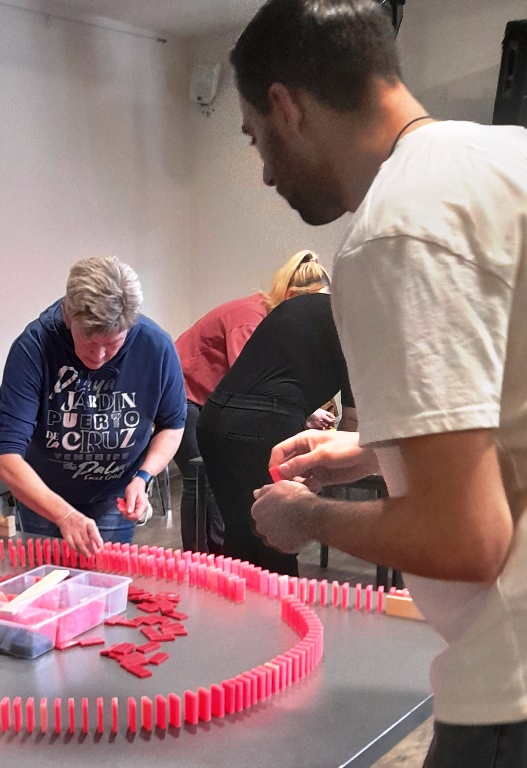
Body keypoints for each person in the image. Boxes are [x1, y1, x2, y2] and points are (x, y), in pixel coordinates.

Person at [232, 1, 527, 763]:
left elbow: (466, 538)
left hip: (512, 678)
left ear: (285, 107)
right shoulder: (506, 162)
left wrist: (308, 519)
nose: (265, 171)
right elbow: (505, 407)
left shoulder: (395, 230)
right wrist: (370, 453)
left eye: (256, 140)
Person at [0, 255, 186, 557]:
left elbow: (172, 426)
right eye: (88, 342)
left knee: (104, 580)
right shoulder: (34, 347)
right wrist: (64, 514)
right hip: (43, 493)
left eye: (113, 344)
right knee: (46, 585)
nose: (98, 357)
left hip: (114, 492)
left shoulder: (156, 346)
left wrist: (144, 476)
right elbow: (7, 458)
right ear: (67, 315)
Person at [195, 257, 355, 575]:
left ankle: (233, 620)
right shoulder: (351, 321)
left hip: (213, 417)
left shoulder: (291, 308)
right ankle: (276, 623)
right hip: (261, 425)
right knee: (276, 543)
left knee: (239, 538)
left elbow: (271, 375)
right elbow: (352, 424)